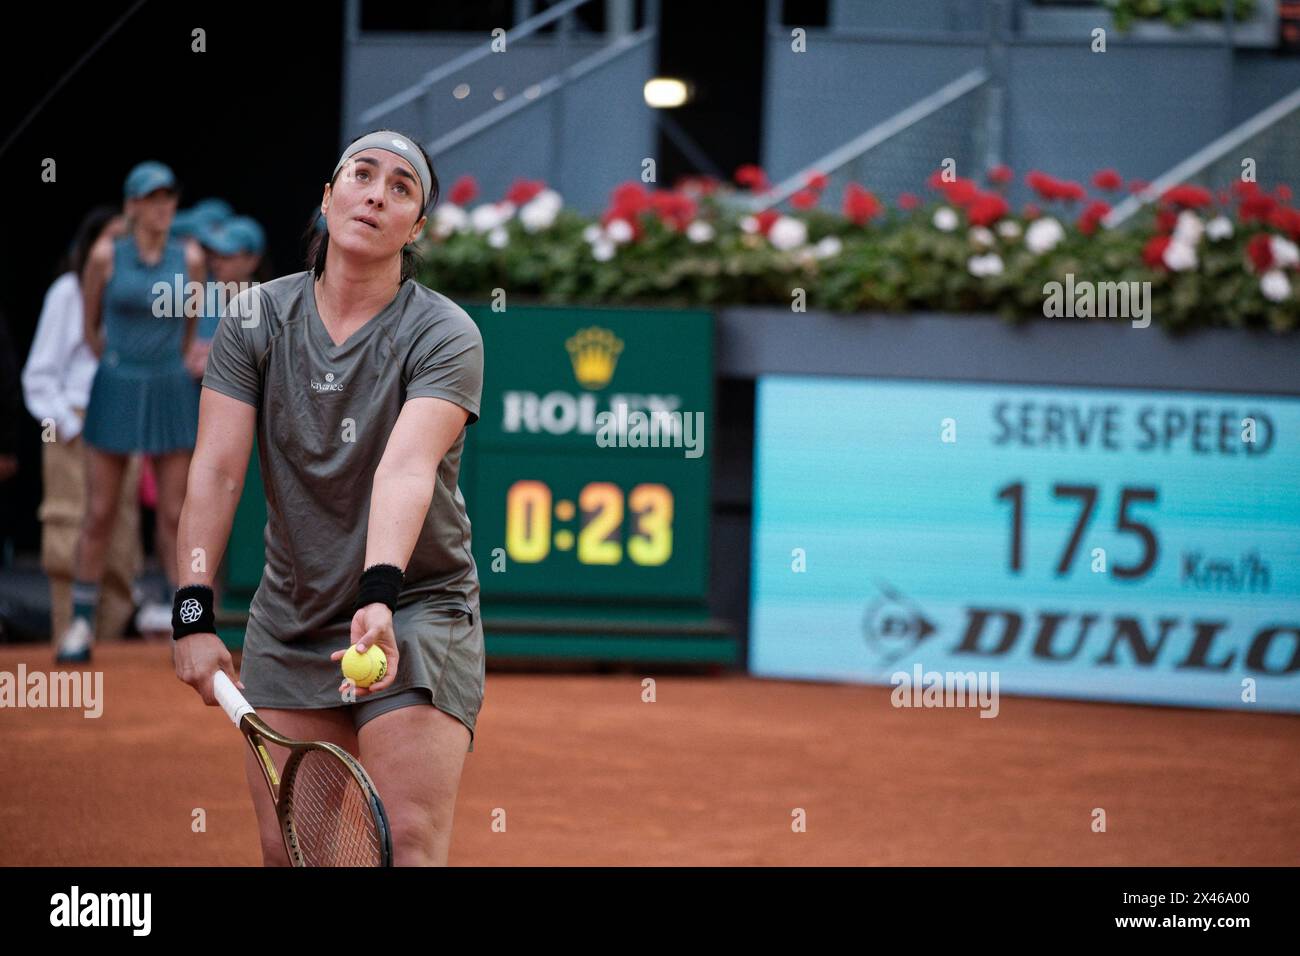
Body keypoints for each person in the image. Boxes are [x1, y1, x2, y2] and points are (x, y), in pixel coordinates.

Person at [172, 129, 486, 867]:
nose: (377, 193)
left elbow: (405, 469)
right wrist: (191, 609)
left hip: (415, 605)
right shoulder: (253, 321)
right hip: (293, 614)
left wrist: (379, 595)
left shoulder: (446, 333)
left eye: (401, 188)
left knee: (406, 845)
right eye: (362, 175)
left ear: (416, 229)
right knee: (293, 856)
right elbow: (216, 472)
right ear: (327, 196)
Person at [54, 161, 205, 662]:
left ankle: (188, 625)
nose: (163, 206)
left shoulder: (192, 256)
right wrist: (122, 364)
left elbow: (189, 329)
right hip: (115, 385)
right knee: (98, 513)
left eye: (169, 196)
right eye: (152, 197)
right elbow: (91, 328)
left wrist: (164, 364)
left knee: (173, 515)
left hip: (169, 387)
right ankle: (79, 625)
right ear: (133, 204)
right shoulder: (104, 255)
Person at [21, 208, 145, 649]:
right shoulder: (66, 292)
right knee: (68, 533)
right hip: (74, 430)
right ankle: (69, 640)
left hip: (124, 429)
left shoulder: (139, 296)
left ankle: (109, 656)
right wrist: (70, 423)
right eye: (109, 239)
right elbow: (39, 374)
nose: (117, 250)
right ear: (89, 245)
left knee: (122, 544)